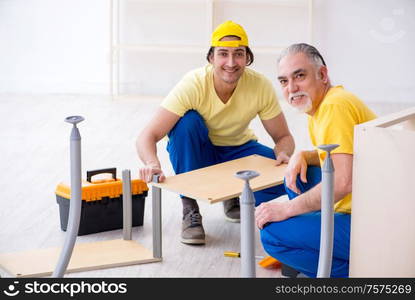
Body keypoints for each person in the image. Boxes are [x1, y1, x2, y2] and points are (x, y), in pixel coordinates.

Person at [136, 20, 295, 245]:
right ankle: (189, 207)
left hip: (239, 151)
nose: (231, 62)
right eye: (223, 54)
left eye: (238, 54)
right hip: (200, 153)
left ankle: (232, 194)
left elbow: (284, 137)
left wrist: (283, 154)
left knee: (292, 176)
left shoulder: (260, 86)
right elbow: (147, 135)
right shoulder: (193, 84)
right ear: (211, 58)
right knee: (186, 124)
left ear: (247, 58)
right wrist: (152, 163)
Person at [255, 43, 377, 277]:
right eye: (283, 81)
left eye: (299, 76)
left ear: (322, 74)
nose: (291, 88)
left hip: (372, 224)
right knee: (298, 178)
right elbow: (346, 155)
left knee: (272, 235)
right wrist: (303, 155)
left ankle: (360, 274)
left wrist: (287, 209)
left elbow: (342, 182)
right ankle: (308, 250)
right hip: (370, 204)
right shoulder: (323, 106)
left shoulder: (334, 106)